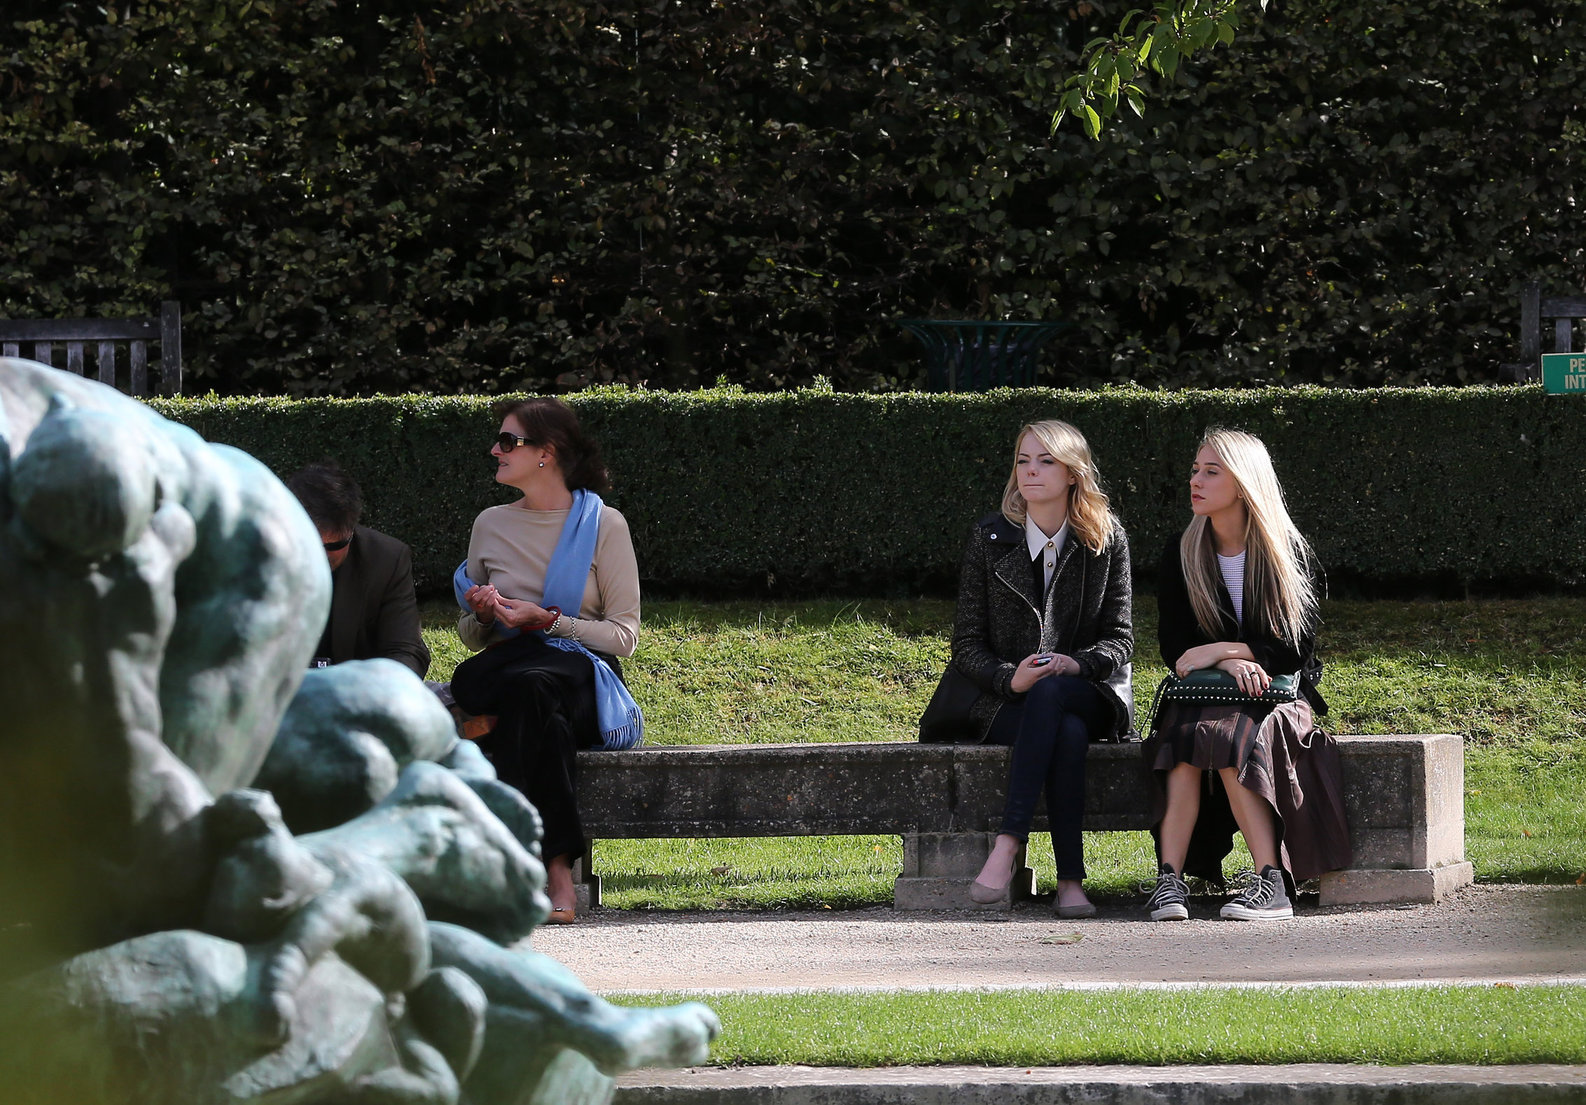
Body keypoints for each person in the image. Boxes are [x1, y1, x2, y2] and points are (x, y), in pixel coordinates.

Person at [448, 397, 642, 925]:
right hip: (516, 676)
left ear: (546, 454)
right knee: (531, 701)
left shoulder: (605, 525)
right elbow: (472, 635)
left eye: (508, 441)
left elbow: (623, 637)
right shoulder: (489, 524)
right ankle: (557, 864)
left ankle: (529, 869)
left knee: (517, 684)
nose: (495, 449)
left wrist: (550, 622)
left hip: (582, 674)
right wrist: (486, 616)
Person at [1143, 428, 1350, 922]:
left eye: (1211, 472)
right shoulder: (1181, 551)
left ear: (1243, 482)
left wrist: (1220, 649)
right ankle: (1168, 882)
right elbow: (1175, 650)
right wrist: (1229, 662)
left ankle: (1271, 880)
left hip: (1274, 700)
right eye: (1195, 469)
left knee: (1229, 736)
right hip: (1203, 694)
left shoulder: (1285, 552)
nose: (1196, 480)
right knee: (1185, 739)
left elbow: (1292, 651)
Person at [954, 420, 1134, 918]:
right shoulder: (990, 538)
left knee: (1056, 698)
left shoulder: (1105, 538)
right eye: (1023, 460)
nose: (1030, 471)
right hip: (1011, 699)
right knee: (1065, 733)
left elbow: (1121, 640)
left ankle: (1008, 843)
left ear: (1073, 473)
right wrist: (1009, 678)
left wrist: (1076, 664)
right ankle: (1071, 882)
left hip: (1087, 692)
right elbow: (967, 645)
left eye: (1046, 461)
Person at [287, 461, 430, 679]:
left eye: (334, 546)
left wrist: (371, 692)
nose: (319, 555)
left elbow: (406, 650)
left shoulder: (386, 560)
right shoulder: (252, 559)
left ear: (351, 531)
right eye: (307, 543)